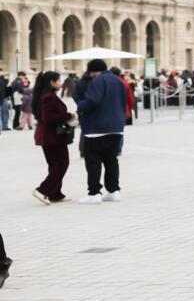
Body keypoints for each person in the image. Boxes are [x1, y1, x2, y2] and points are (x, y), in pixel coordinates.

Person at [76, 59, 128, 204]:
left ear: (93, 71)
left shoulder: (97, 81)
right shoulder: (118, 81)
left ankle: (94, 193)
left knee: (93, 160)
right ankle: (113, 191)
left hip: (97, 127)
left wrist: (80, 106)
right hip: (116, 127)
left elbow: (93, 101)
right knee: (111, 159)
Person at [32, 71, 77, 205]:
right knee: (62, 163)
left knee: (54, 164)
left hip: (47, 135)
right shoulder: (48, 97)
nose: (60, 83)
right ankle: (43, 190)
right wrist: (69, 115)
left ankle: (55, 193)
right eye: (58, 80)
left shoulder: (43, 95)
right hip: (52, 136)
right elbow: (49, 118)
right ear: (51, 82)